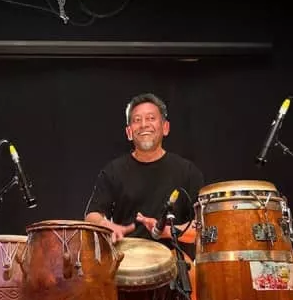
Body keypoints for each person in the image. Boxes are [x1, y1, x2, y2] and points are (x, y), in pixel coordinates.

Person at [84, 92, 204, 258]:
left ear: (165, 128)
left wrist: (165, 231)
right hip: (127, 261)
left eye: (151, 118)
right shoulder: (113, 171)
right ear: (129, 132)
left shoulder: (188, 171)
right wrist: (105, 224)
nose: (144, 125)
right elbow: (91, 215)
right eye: (137, 120)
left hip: (175, 262)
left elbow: (201, 228)